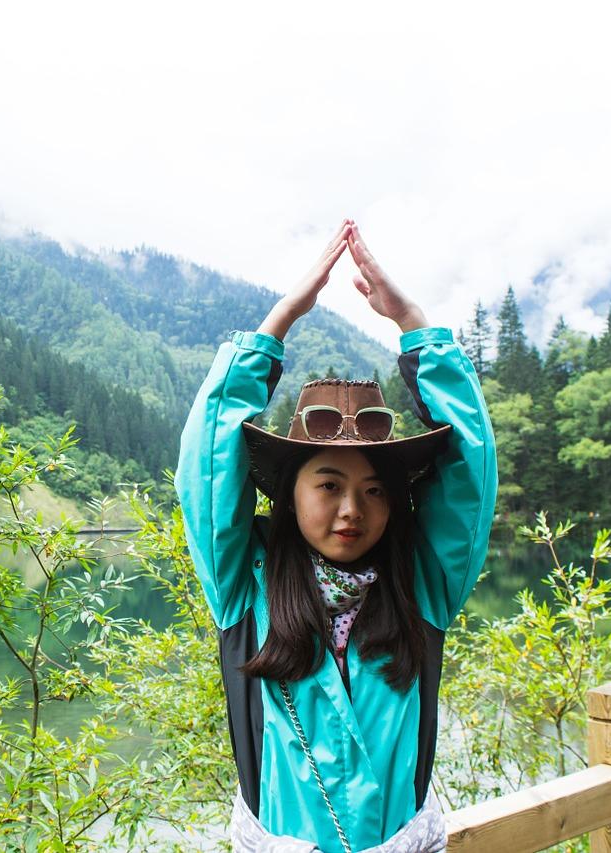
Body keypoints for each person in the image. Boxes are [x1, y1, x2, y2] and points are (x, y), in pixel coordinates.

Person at [175, 220, 497, 852]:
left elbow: (471, 475)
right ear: (287, 494)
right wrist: (276, 325)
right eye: (328, 485)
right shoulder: (244, 585)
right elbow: (207, 464)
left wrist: (414, 324)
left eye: (375, 490)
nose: (352, 510)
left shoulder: (422, 585)